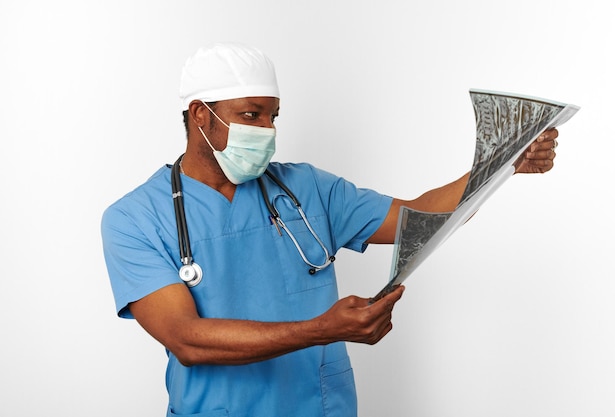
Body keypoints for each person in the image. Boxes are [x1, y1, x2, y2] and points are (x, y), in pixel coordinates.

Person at [101, 42, 559, 417]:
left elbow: (419, 218)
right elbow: (186, 339)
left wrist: (501, 166)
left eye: (273, 116)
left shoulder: (306, 188)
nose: (267, 130)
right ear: (200, 114)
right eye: (250, 115)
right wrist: (321, 329)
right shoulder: (135, 218)